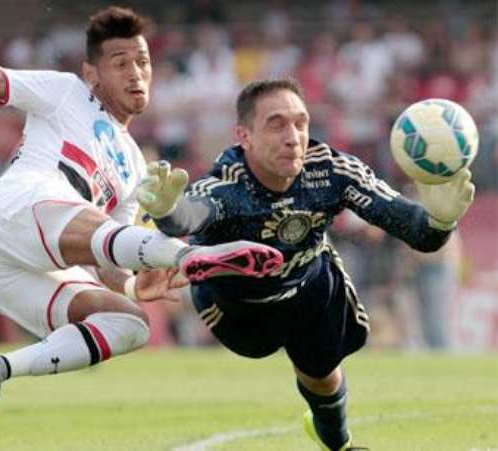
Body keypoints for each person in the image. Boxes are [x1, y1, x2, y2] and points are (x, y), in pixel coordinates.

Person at [0, 7, 284, 421]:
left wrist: (134, 285)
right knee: (90, 218)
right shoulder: (65, 92)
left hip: (5, 271)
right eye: (121, 63)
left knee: (128, 323)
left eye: (144, 61)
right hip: (16, 209)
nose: (136, 72)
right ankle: (190, 256)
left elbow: (104, 255)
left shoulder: (136, 164)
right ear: (92, 73)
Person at [137, 78, 474, 450]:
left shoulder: (331, 171)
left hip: (308, 283)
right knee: (261, 346)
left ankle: (339, 445)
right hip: (237, 303)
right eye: (276, 124)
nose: (293, 136)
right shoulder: (227, 183)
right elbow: (189, 216)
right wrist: (168, 211)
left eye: (301, 123)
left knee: (322, 376)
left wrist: (440, 222)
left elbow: (415, 231)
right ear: (244, 137)